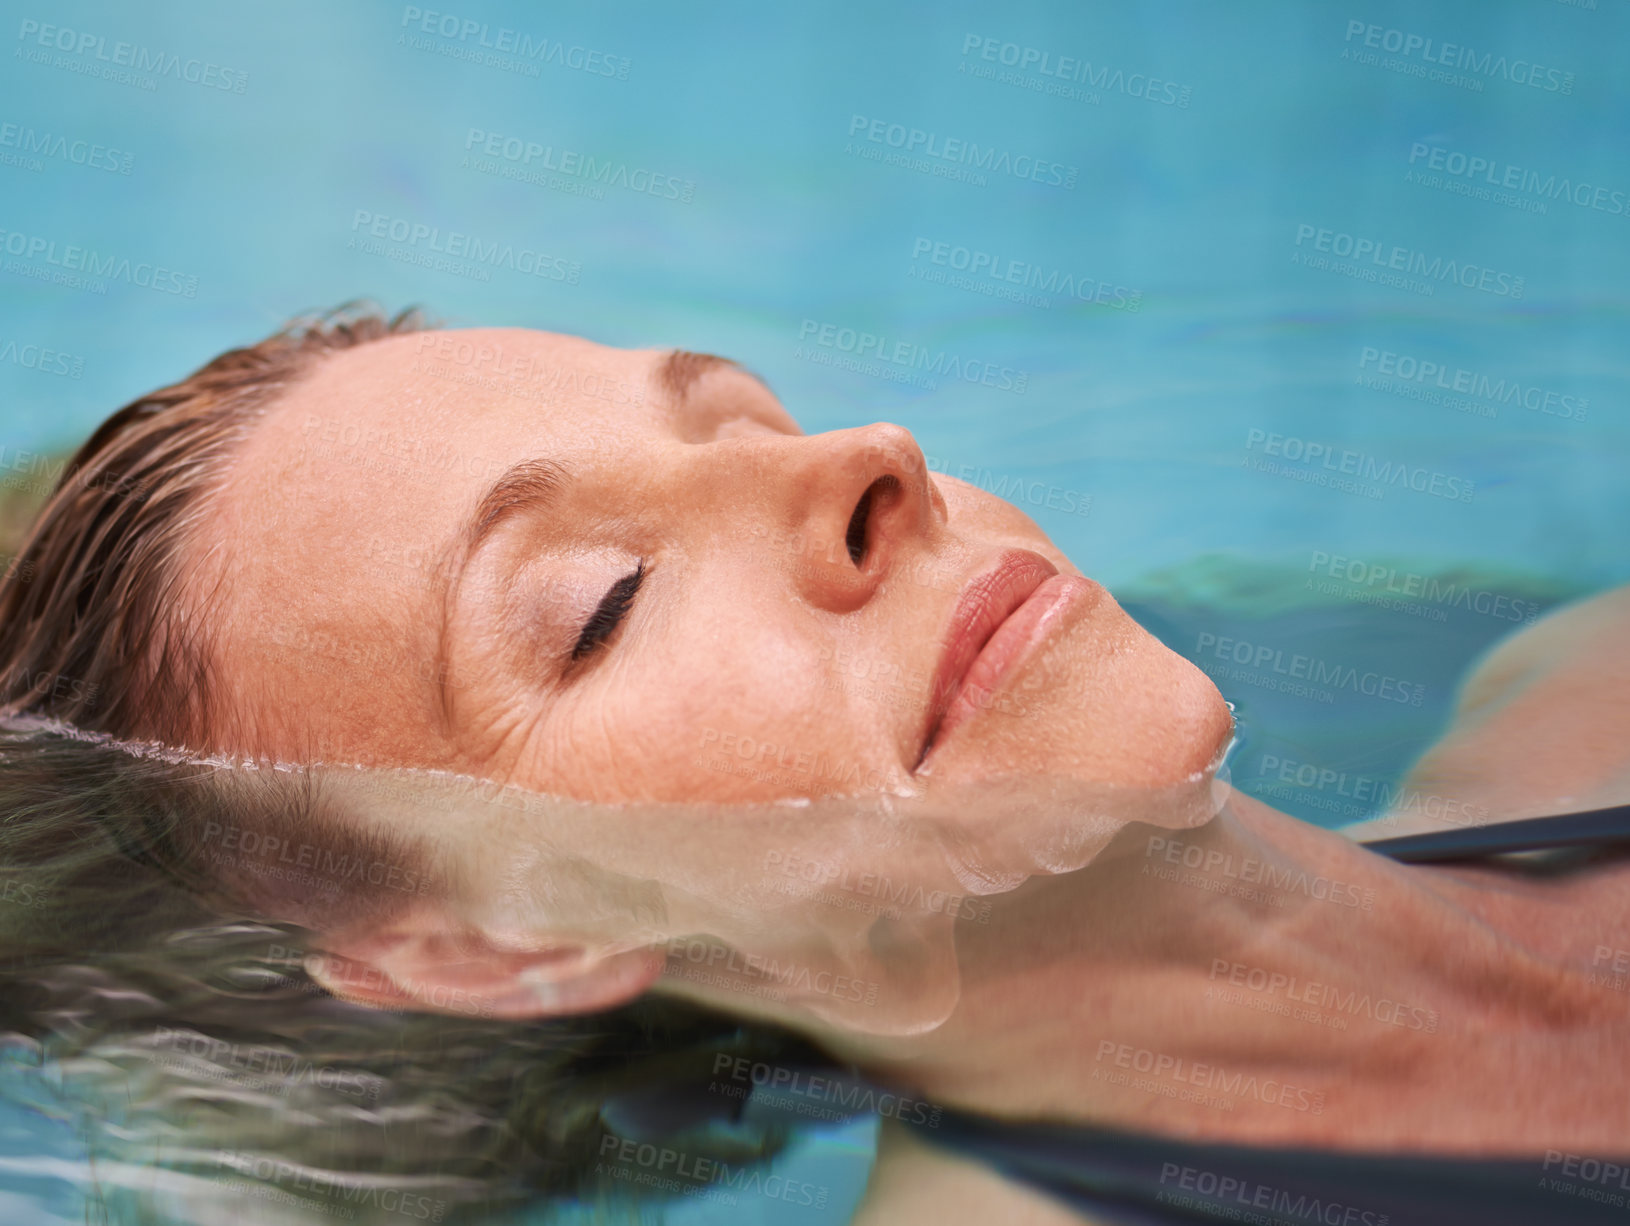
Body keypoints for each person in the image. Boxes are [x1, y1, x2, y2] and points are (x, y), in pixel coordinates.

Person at [1, 304, 1627, 1225]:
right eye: (600, 605)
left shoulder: (1589, 687)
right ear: (498, 943)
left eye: (748, 418)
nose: (870, 466)